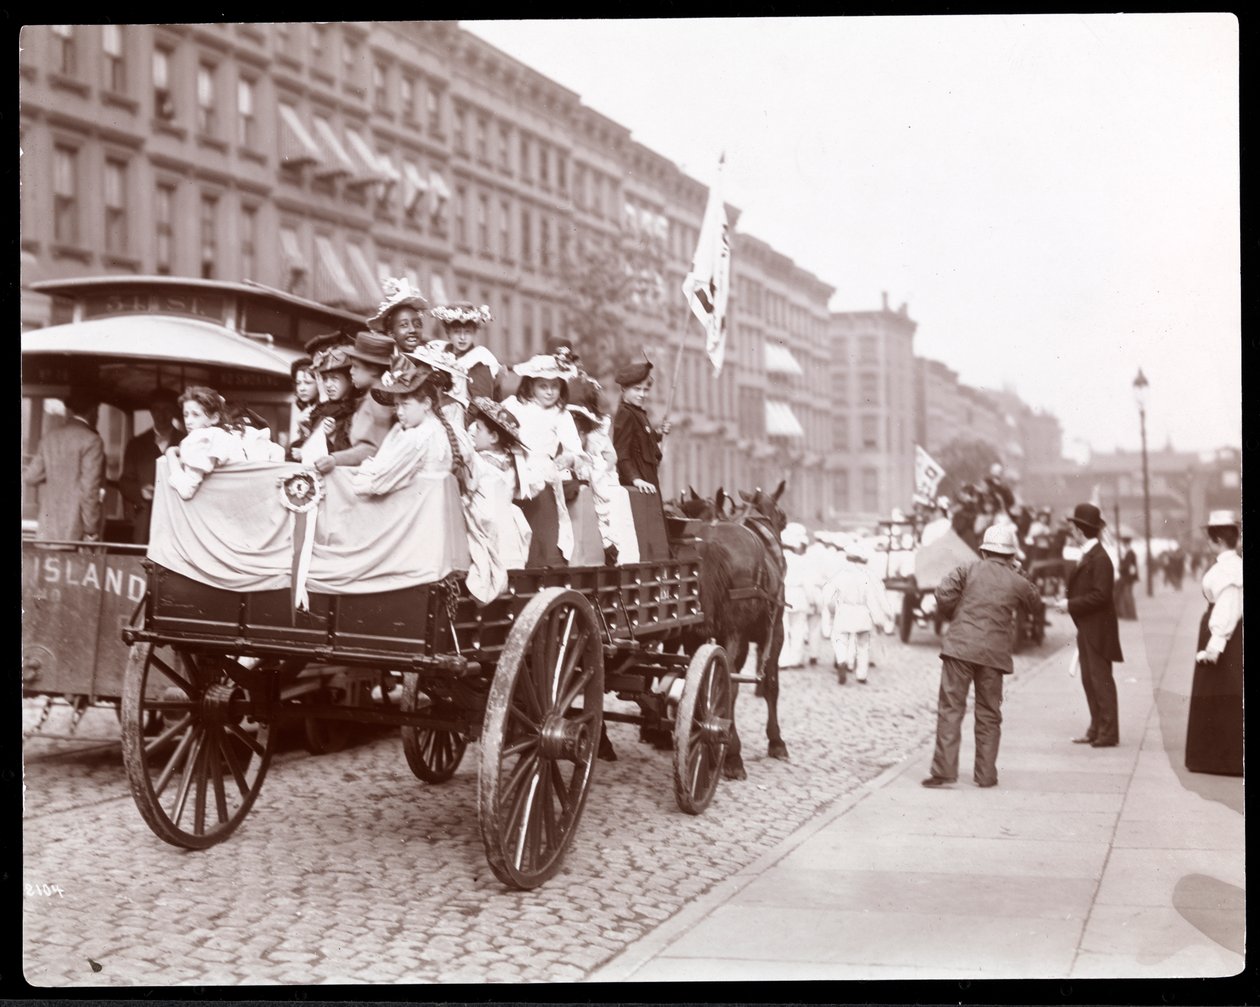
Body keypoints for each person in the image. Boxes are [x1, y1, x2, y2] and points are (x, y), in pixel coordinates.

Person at [919, 523, 1043, 787]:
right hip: (993, 654)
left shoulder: (967, 569)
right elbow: (1035, 603)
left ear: (984, 551)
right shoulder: (1016, 579)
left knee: (951, 708)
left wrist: (956, 615)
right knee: (989, 713)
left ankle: (944, 772)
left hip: (960, 648)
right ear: (1010, 555)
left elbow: (943, 594)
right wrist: (1020, 573)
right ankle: (986, 775)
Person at [502, 352, 584, 566]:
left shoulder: (561, 414)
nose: (549, 392)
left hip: (542, 475)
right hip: (514, 469)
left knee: (541, 529)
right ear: (530, 386)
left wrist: (569, 458)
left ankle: (539, 566)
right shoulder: (514, 405)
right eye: (543, 386)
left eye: (554, 386)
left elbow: (576, 450)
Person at [1054, 503, 1124, 748]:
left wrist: (1070, 604)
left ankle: (1108, 732)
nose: (1071, 531)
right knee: (1090, 680)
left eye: (1073, 527)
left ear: (1081, 530)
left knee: (1100, 681)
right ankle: (1097, 728)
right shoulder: (1092, 555)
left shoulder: (1100, 558)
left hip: (1098, 630)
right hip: (1090, 628)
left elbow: (1101, 596)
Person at [1185, 511, 1243, 776]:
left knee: (1220, 693)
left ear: (1217, 539)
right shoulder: (1231, 564)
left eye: (1210, 539)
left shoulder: (1228, 569)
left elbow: (1228, 607)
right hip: (1222, 632)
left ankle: (1220, 759)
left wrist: (1214, 646)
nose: (1208, 544)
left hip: (1224, 637)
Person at [567, 377, 639, 565]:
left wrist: (598, 466)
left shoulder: (597, 435)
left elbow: (611, 457)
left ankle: (609, 543)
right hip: (577, 472)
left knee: (605, 498)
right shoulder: (565, 428)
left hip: (599, 475)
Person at [23, 388, 106, 542]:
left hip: (47, 529)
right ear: (94, 410)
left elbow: (30, 477)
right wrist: (91, 529)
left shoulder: (49, 437)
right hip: (75, 530)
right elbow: (89, 489)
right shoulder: (92, 440)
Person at [312, 331, 398, 474]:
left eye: (356, 366)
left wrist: (335, 459)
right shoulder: (374, 398)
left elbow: (372, 450)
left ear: (374, 369)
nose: (351, 371)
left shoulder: (378, 401)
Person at [613, 357, 672, 560]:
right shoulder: (625, 414)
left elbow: (641, 442)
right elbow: (621, 452)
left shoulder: (637, 413)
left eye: (645, 390)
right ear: (624, 390)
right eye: (637, 389)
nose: (642, 394)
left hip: (648, 481)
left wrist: (657, 433)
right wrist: (635, 479)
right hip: (639, 485)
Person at [467, 396, 535, 572]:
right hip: (506, 524)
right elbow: (533, 486)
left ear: (494, 437)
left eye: (479, 429)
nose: (473, 432)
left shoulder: (478, 463)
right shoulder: (513, 462)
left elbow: (469, 487)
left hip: (486, 522)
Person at [820, 538, 896, 686]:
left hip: (844, 611)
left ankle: (842, 661)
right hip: (862, 613)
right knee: (863, 645)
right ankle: (861, 675)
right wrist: (879, 620)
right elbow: (872, 600)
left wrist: (830, 608)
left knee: (841, 640)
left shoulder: (840, 575)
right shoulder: (865, 577)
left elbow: (827, 593)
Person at [119, 389, 184, 544]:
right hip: (146, 521)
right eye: (156, 410)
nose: (161, 415)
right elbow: (125, 482)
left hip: (177, 519)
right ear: (151, 411)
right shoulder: (136, 444)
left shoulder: (185, 442)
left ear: (174, 411)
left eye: (167, 410)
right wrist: (140, 491)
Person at [165, 386, 247, 499]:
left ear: (214, 418)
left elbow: (186, 490)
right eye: (186, 414)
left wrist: (170, 455)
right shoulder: (226, 435)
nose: (188, 421)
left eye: (196, 415)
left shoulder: (201, 437)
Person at [429, 301, 501, 404]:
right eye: (457, 332)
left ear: (474, 332)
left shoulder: (478, 360)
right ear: (448, 332)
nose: (462, 337)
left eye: (467, 332)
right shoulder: (438, 352)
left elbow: (481, 404)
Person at [366, 276, 428, 355]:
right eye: (404, 325)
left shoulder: (429, 363)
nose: (413, 330)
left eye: (417, 325)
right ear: (391, 333)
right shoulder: (384, 363)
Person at [780, 523, 812, 668]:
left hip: (782, 595)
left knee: (783, 629)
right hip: (799, 595)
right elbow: (808, 583)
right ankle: (795, 658)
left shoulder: (778, 559)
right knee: (798, 629)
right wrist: (812, 600)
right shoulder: (801, 560)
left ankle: (782, 659)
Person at [286, 357, 319, 456]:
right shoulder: (307, 407)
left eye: (308, 383)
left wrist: (303, 427)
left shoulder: (324, 409)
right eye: (298, 383)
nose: (301, 388)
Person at [1114, 533, 1139, 620]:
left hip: (1127, 578)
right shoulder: (1130, 553)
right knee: (1126, 595)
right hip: (1128, 578)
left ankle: (1131, 615)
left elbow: (1126, 566)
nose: (1123, 545)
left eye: (1124, 544)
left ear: (1126, 544)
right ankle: (1128, 614)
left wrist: (1121, 567)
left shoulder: (1129, 553)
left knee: (1127, 595)